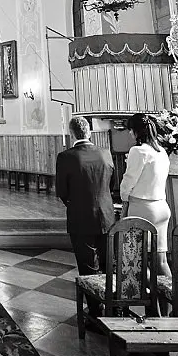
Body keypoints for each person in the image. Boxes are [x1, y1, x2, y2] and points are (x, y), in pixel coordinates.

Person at [55, 116, 116, 277]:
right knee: (109, 263)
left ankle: (94, 302)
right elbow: (111, 184)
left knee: (88, 266)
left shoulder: (65, 157)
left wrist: (77, 203)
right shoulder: (105, 153)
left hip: (80, 216)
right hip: (107, 216)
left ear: (71, 134)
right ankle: (111, 299)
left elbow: (62, 191)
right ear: (89, 132)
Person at [120, 113, 172, 281]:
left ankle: (153, 303)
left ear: (136, 131)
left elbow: (129, 180)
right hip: (161, 207)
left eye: (130, 130)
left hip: (143, 208)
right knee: (161, 260)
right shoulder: (161, 151)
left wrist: (124, 198)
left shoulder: (138, 151)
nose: (129, 133)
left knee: (137, 259)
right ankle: (172, 301)